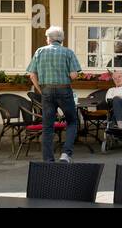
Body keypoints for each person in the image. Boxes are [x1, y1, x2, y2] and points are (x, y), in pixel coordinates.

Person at [26, 26, 82, 162]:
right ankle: (66, 154)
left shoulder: (39, 51)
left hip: (46, 91)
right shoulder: (68, 52)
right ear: (61, 39)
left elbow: (32, 75)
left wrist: (41, 90)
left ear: (49, 39)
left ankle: (48, 160)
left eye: (47, 37)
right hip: (64, 90)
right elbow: (74, 75)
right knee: (72, 121)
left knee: (47, 126)